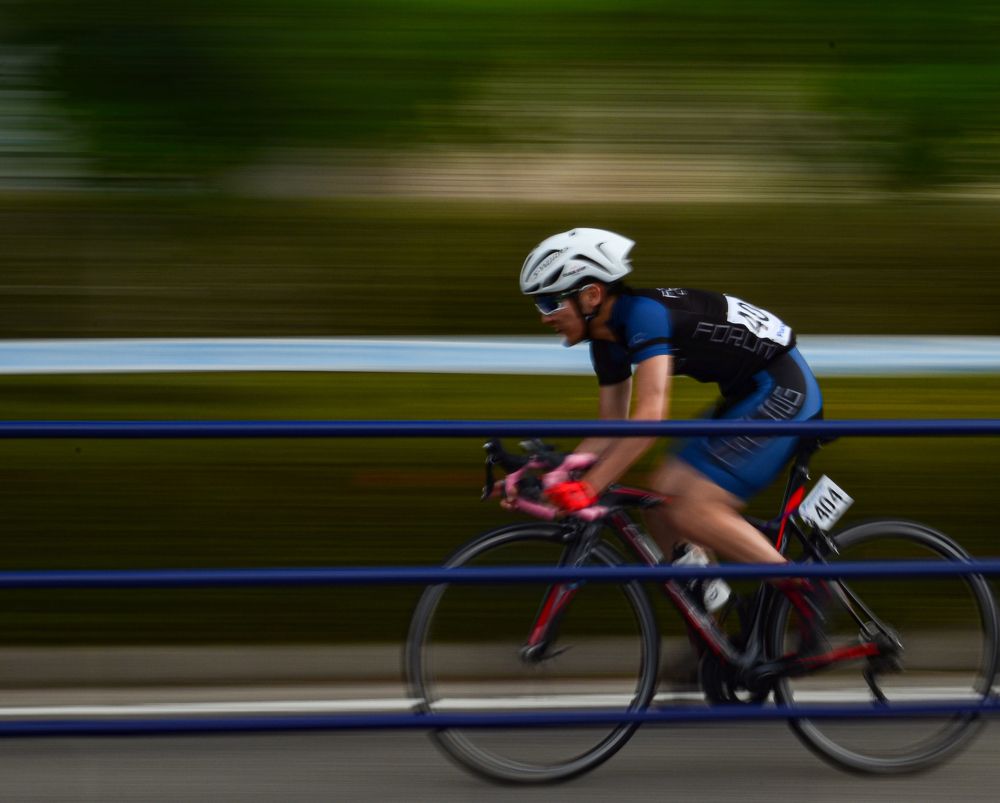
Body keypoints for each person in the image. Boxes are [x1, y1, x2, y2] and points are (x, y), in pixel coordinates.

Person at [514, 227, 827, 634]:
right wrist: (560, 472)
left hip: (785, 390)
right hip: (746, 393)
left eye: (551, 301)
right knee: (660, 499)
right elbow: (611, 427)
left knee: (690, 507)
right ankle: (724, 626)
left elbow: (649, 418)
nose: (544, 315)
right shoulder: (605, 340)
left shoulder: (642, 315)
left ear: (591, 295)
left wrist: (588, 488)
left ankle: (805, 594)